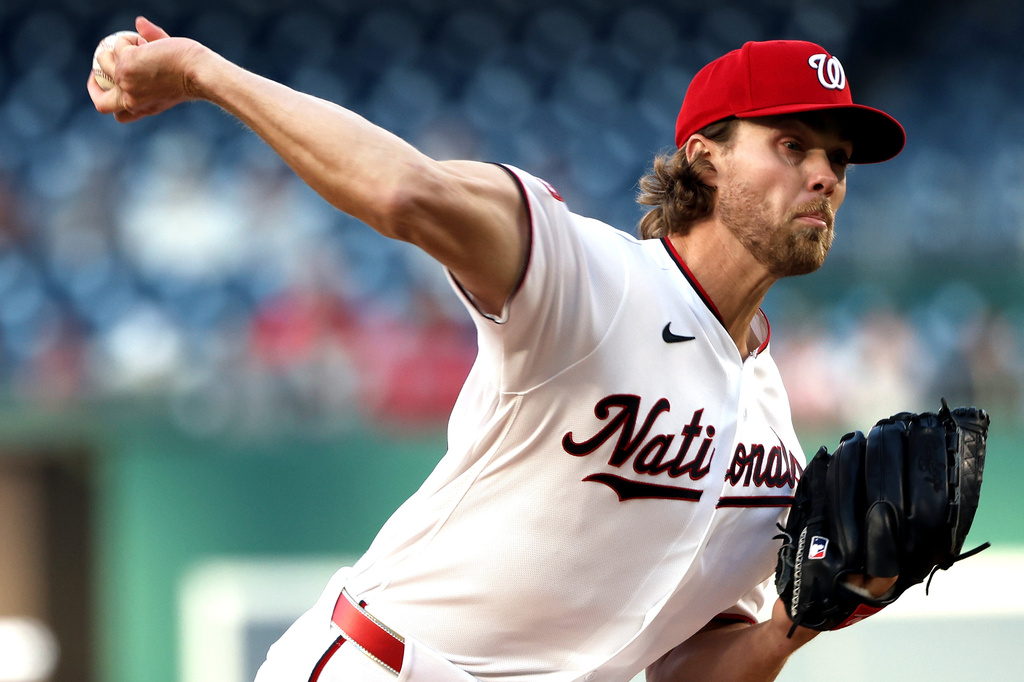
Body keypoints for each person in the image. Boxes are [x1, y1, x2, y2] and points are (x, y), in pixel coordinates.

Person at [89, 18, 906, 682]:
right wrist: (201, 71)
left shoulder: (775, 442)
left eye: (837, 157)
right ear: (705, 156)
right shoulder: (589, 276)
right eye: (792, 146)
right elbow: (405, 191)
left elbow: (677, 667)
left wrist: (791, 631)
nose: (826, 175)